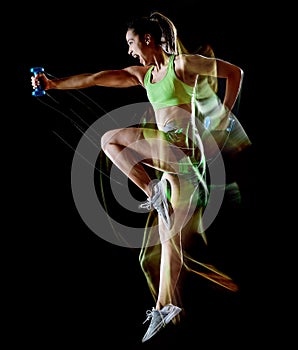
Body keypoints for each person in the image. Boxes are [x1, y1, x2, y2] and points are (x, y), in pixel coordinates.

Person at [31, 11, 251, 343]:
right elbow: (95, 78)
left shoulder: (181, 65)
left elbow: (235, 73)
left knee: (110, 139)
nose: (130, 51)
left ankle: (152, 190)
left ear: (147, 39)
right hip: (175, 167)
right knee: (168, 238)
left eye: (132, 43)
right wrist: (53, 83)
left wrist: (223, 117)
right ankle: (166, 305)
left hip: (184, 151)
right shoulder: (144, 76)